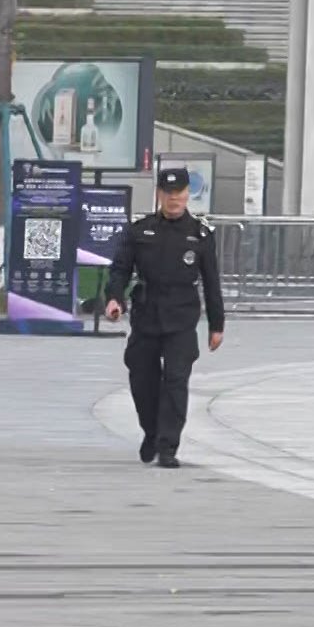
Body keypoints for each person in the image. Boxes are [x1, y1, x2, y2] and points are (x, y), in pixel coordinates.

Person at [105, 167, 226, 469]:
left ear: (188, 195)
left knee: (175, 381)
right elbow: (120, 269)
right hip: (147, 314)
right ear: (159, 194)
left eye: (180, 193)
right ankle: (151, 431)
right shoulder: (140, 230)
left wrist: (217, 324)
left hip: (182, 317)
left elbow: (212, 282)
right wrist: (114, 299)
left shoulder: (200, 234)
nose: (174, 199)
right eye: (168, 194)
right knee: (142, 379)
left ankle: (168, 445)